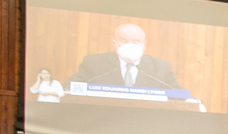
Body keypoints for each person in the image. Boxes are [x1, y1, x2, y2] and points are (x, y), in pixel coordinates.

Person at [69, 23, 203, 112]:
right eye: (124, 40)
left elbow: (177, 92)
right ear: (115, 43)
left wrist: (194, 101)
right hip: (103, 123)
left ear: (144, 45)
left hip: (145, 125)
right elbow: (71, 88)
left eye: (136, 41)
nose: (130, 45)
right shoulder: (94, 63)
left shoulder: (161, 67)